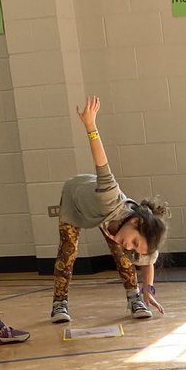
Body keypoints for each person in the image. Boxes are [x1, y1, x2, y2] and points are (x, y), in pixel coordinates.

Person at [50, 96, 170, 324]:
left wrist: (148, 291)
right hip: (76, 199)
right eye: (134, 242)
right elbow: (102, 163)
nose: (131, 246)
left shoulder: (146, 233)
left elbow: (148, 260)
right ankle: (59, 303)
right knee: (68, 251)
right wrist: (90, 126)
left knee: (121, 254)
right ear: (136, 223)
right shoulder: (109, 196)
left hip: (107, 220)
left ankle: (134, 298)